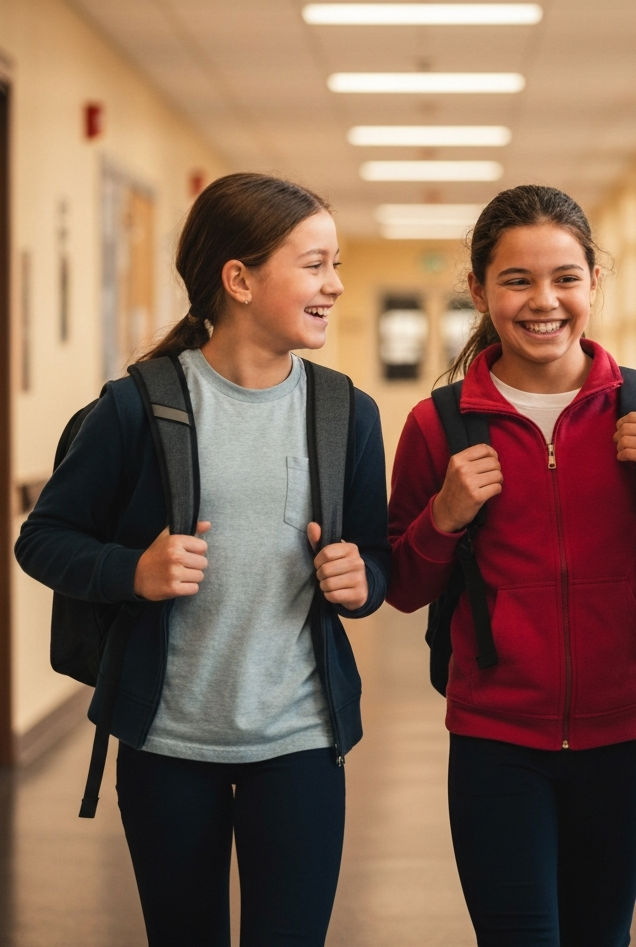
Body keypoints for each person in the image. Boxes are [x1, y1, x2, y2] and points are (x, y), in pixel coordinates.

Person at [15, 173, 390, 947]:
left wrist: (362, 583)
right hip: (167, 745)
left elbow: (374, 559)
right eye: (315, 265)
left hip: (301, 742)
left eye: (338, 265)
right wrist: (133, 572)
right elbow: (43, 538)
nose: (336, 286)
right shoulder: (136, 407)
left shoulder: (345, 412)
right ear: (240, 278)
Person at [387, 185, 636, 946]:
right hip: (494, 740)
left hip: (622, 735)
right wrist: (443, 518)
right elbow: (404, 590)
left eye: (565, 278)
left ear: (593, 283)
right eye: (517, 280)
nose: (543, 301)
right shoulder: (437, 425)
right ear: (480, 290)